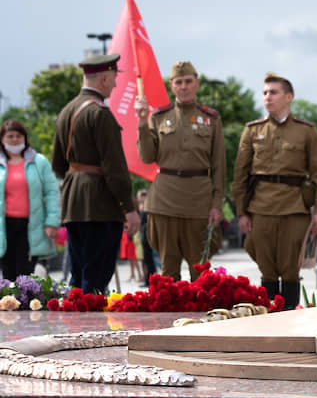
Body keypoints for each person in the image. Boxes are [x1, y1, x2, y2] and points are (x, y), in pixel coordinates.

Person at [232, 72, 317, 309]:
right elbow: (240, 175)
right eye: (265, 92)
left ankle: (290, 321)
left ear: (289, 97)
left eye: (273, 92)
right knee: (266, 268)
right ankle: (269, 319)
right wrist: (241, 213)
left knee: (290, 269)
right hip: (260, 207)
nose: (268, 97)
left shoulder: (306, 131)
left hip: (294, 207)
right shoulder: (253, 130)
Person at [52, 53, 140, 293]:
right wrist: (128, 208)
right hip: (99, 205)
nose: (114, 83)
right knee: (96, 279)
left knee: (78, 277)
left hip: (73, 202)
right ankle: (89, 329)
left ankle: (73, 327)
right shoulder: (100, 114)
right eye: (113, 77)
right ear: (103, 78)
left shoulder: (66, 111)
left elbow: (58, 164)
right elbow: (115, 169)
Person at [134, 61, 226, 281]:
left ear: (197, 83)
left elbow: (219, 166)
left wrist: (216, 204)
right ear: (172, 86)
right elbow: (147, 156)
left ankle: (200, 315)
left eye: (188, 81)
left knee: (200, 272)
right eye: (179, 82)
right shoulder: (157, 117)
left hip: (198, 202)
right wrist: (141, 122)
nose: (183, 86)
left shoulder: (211, 119)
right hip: (164, 202)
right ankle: (168, 317)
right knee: (168, 272)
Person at [0, 120, 59, 280]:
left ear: (25, 138)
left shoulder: (39, 162)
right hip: (4, 227)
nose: (14, 140)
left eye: (18, 136)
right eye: (9, 136)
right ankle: (8, 304)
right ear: (2, 139)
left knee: (25, 273)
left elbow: (52, 192)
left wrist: (52, 221)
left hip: (31, 225)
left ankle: (24, 304)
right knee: (7, 273)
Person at [136, 189, 157, 287]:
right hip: (144, 236)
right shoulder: (143, 207)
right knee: (146, 259)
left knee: (149, 260)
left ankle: (150, 280)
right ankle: (148, 279)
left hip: (148, 236)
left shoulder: (147, 207)